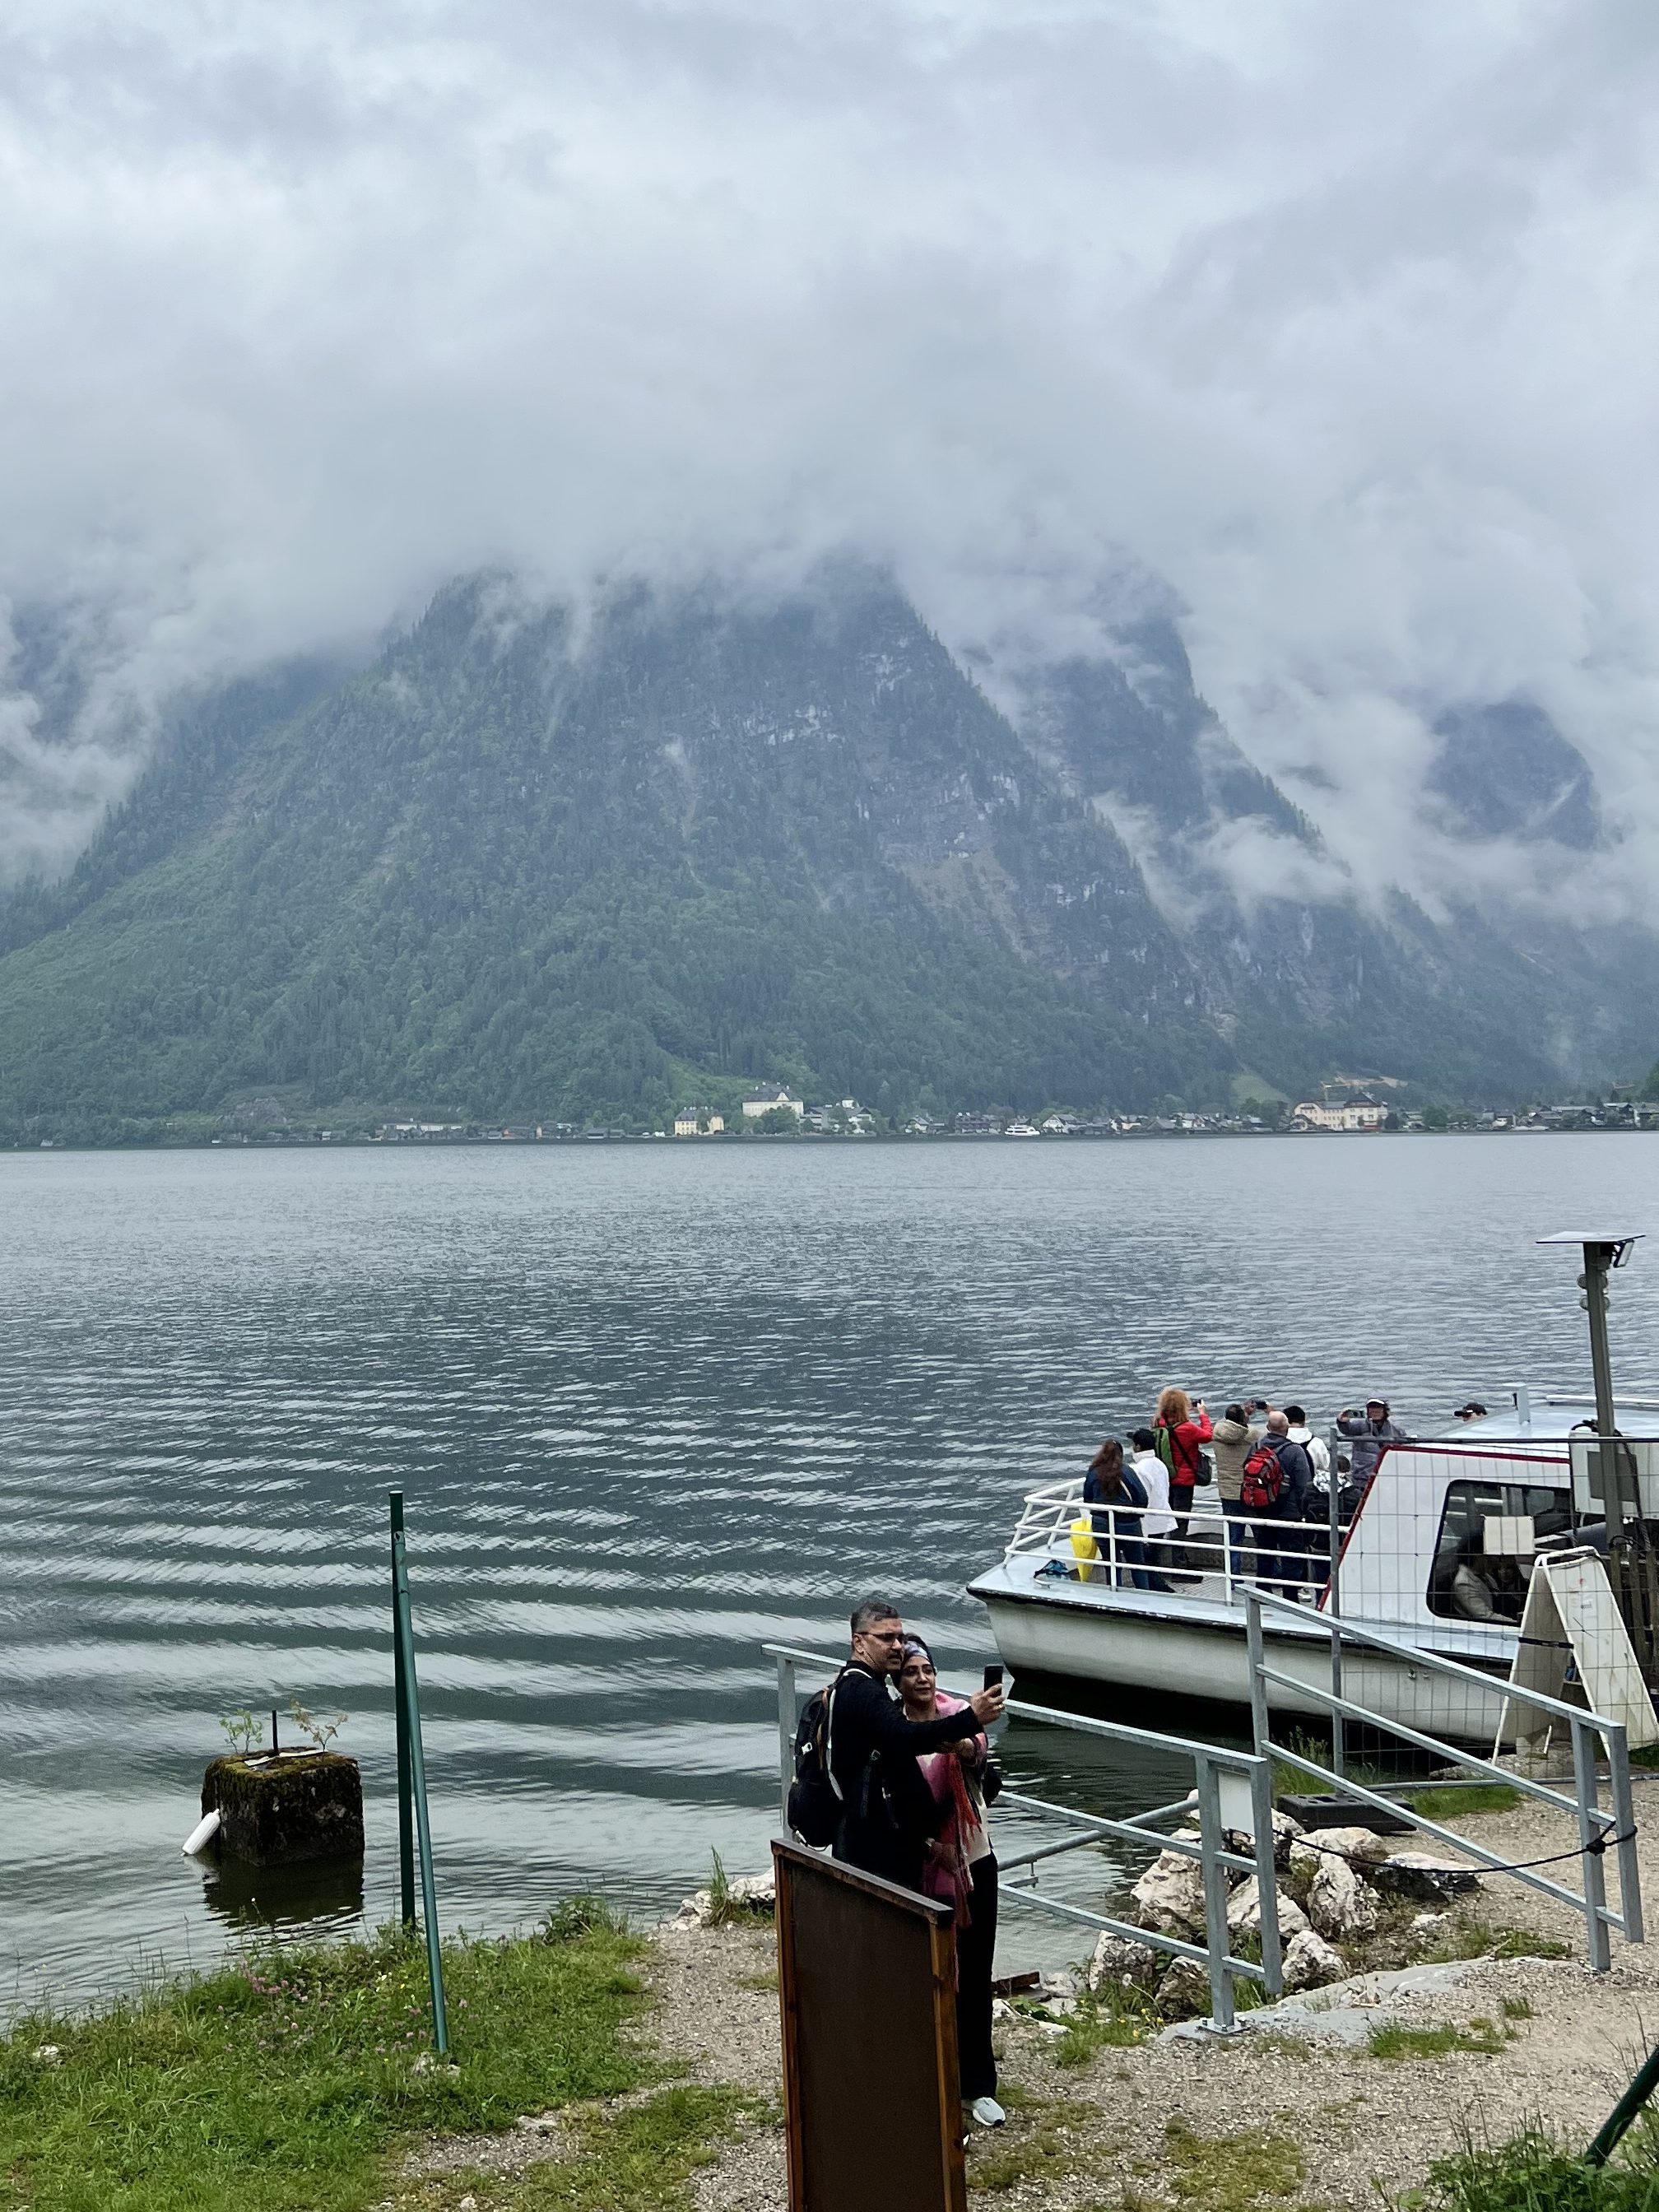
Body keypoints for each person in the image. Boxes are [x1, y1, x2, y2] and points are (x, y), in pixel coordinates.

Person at [896, 1636, 1004, 2131]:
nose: (923, 1678)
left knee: (975, 1972)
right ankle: (927, 2072)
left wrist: (962, 1743)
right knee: (925, 1974)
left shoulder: (960, 1715)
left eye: (929, 1670)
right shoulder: (894, 1731)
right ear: (898, 1681)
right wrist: (928, 1848)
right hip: (920, 1871)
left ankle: (978, 2085)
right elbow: (892, 1810)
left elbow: (979, 1754)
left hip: (973, 1861)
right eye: (912, 1671)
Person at [829, 1596, 1005, 1892]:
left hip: (872, 1844)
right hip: (872, 1853)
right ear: (859, 1643)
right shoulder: (862, 1691)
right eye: (886, 1638)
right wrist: (971, 1719)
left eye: (899, 1637)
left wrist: (967, 1738)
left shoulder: (860, 1686)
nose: (896, 1645)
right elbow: (905, 1737)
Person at [1250, 1410, 1313, 1597]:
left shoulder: (1256, 1447)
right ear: (1287, 1429)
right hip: (1289, 1512)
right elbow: (1304, 1483)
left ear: (1268, 1428)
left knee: (1265, 1552)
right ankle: (1290, 1596)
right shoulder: (1295, 1451)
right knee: (1291, 1556)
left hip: (1261, 1508)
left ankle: (1262, 1592)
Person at [1153, 1387, 1214, 1567]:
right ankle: (1179, 1563)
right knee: (1180, 1521)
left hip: (1164, 1479)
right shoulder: (1187, 1428)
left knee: (1165, 1518)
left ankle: (1156, 1559)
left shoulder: (1158, 1423)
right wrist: (1203, 1414)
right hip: (1183, 1481)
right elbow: (1208, 1435)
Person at [1210, 1402, 1265, 1582]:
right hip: (1249, 1491)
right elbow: (1250, 1432)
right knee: (1261, 1535)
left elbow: (1232, 1428)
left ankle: (1233, 1575)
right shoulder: (1251, 1435)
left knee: (1234, 1537)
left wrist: (1242, 1416)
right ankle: (1268, 1572)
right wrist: (1247, 1418)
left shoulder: (1217, 1432)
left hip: (1228, 1492)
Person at [1084, 1438, 1150, 1588]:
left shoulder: (1093, 1472)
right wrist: (1135, 1513)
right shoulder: (1126, 1471)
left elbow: (1087, 1497)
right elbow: (1142, 1496)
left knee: (1111, 1563)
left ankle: (1114, 1593)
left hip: (1101, 1522)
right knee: (1137, 1563)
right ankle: (1145, 1595)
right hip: (1127, 1523)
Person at [1281, 1404, 1333, 1587]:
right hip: (1313, 1500)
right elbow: (1327, 1469)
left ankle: (1294, 1583)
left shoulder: (1281, 1441)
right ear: (1304, 1421)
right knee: (1312, 1541)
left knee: (1289, 1543)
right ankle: (1313, 1583)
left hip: (1285, 1499)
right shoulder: (1316, 1443)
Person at [1126, 1429, 1178, 1590]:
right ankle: (1158, 1588)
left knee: (1145, 1561)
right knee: (1153, 1558)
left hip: (1148, 1522)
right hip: (1163, 1517)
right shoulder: (1159, 1464)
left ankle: (1158, 1590)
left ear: (1138, 1447)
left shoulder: (1140, 1469)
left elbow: (1142, 1497)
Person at [1336, 1396, 1409, 1494]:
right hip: (1362, 1478)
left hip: (1388, 1477)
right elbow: (1347, 1429)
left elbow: (1405, 1451)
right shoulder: (1360, 1426)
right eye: (1372, 1407)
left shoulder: (1396, 1430)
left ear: (1385, 1410)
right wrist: (1342, 1421)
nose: (1375, 1410)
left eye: (1378, 1407)